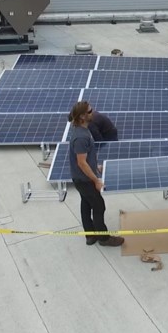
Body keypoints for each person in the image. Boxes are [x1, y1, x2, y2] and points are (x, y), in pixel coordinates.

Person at [68, 101, 125, 247]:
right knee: (99, 206)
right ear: (82, 116)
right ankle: (104, 239)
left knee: (86, 204)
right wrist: (96, 179)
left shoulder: (80, 129)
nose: (93, 112)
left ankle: (90, 236)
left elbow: (85, 157)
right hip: (85, 179)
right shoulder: (81, 136)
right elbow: (81, 162)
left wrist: (95, 165)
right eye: (90, 111)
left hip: (80, 178)